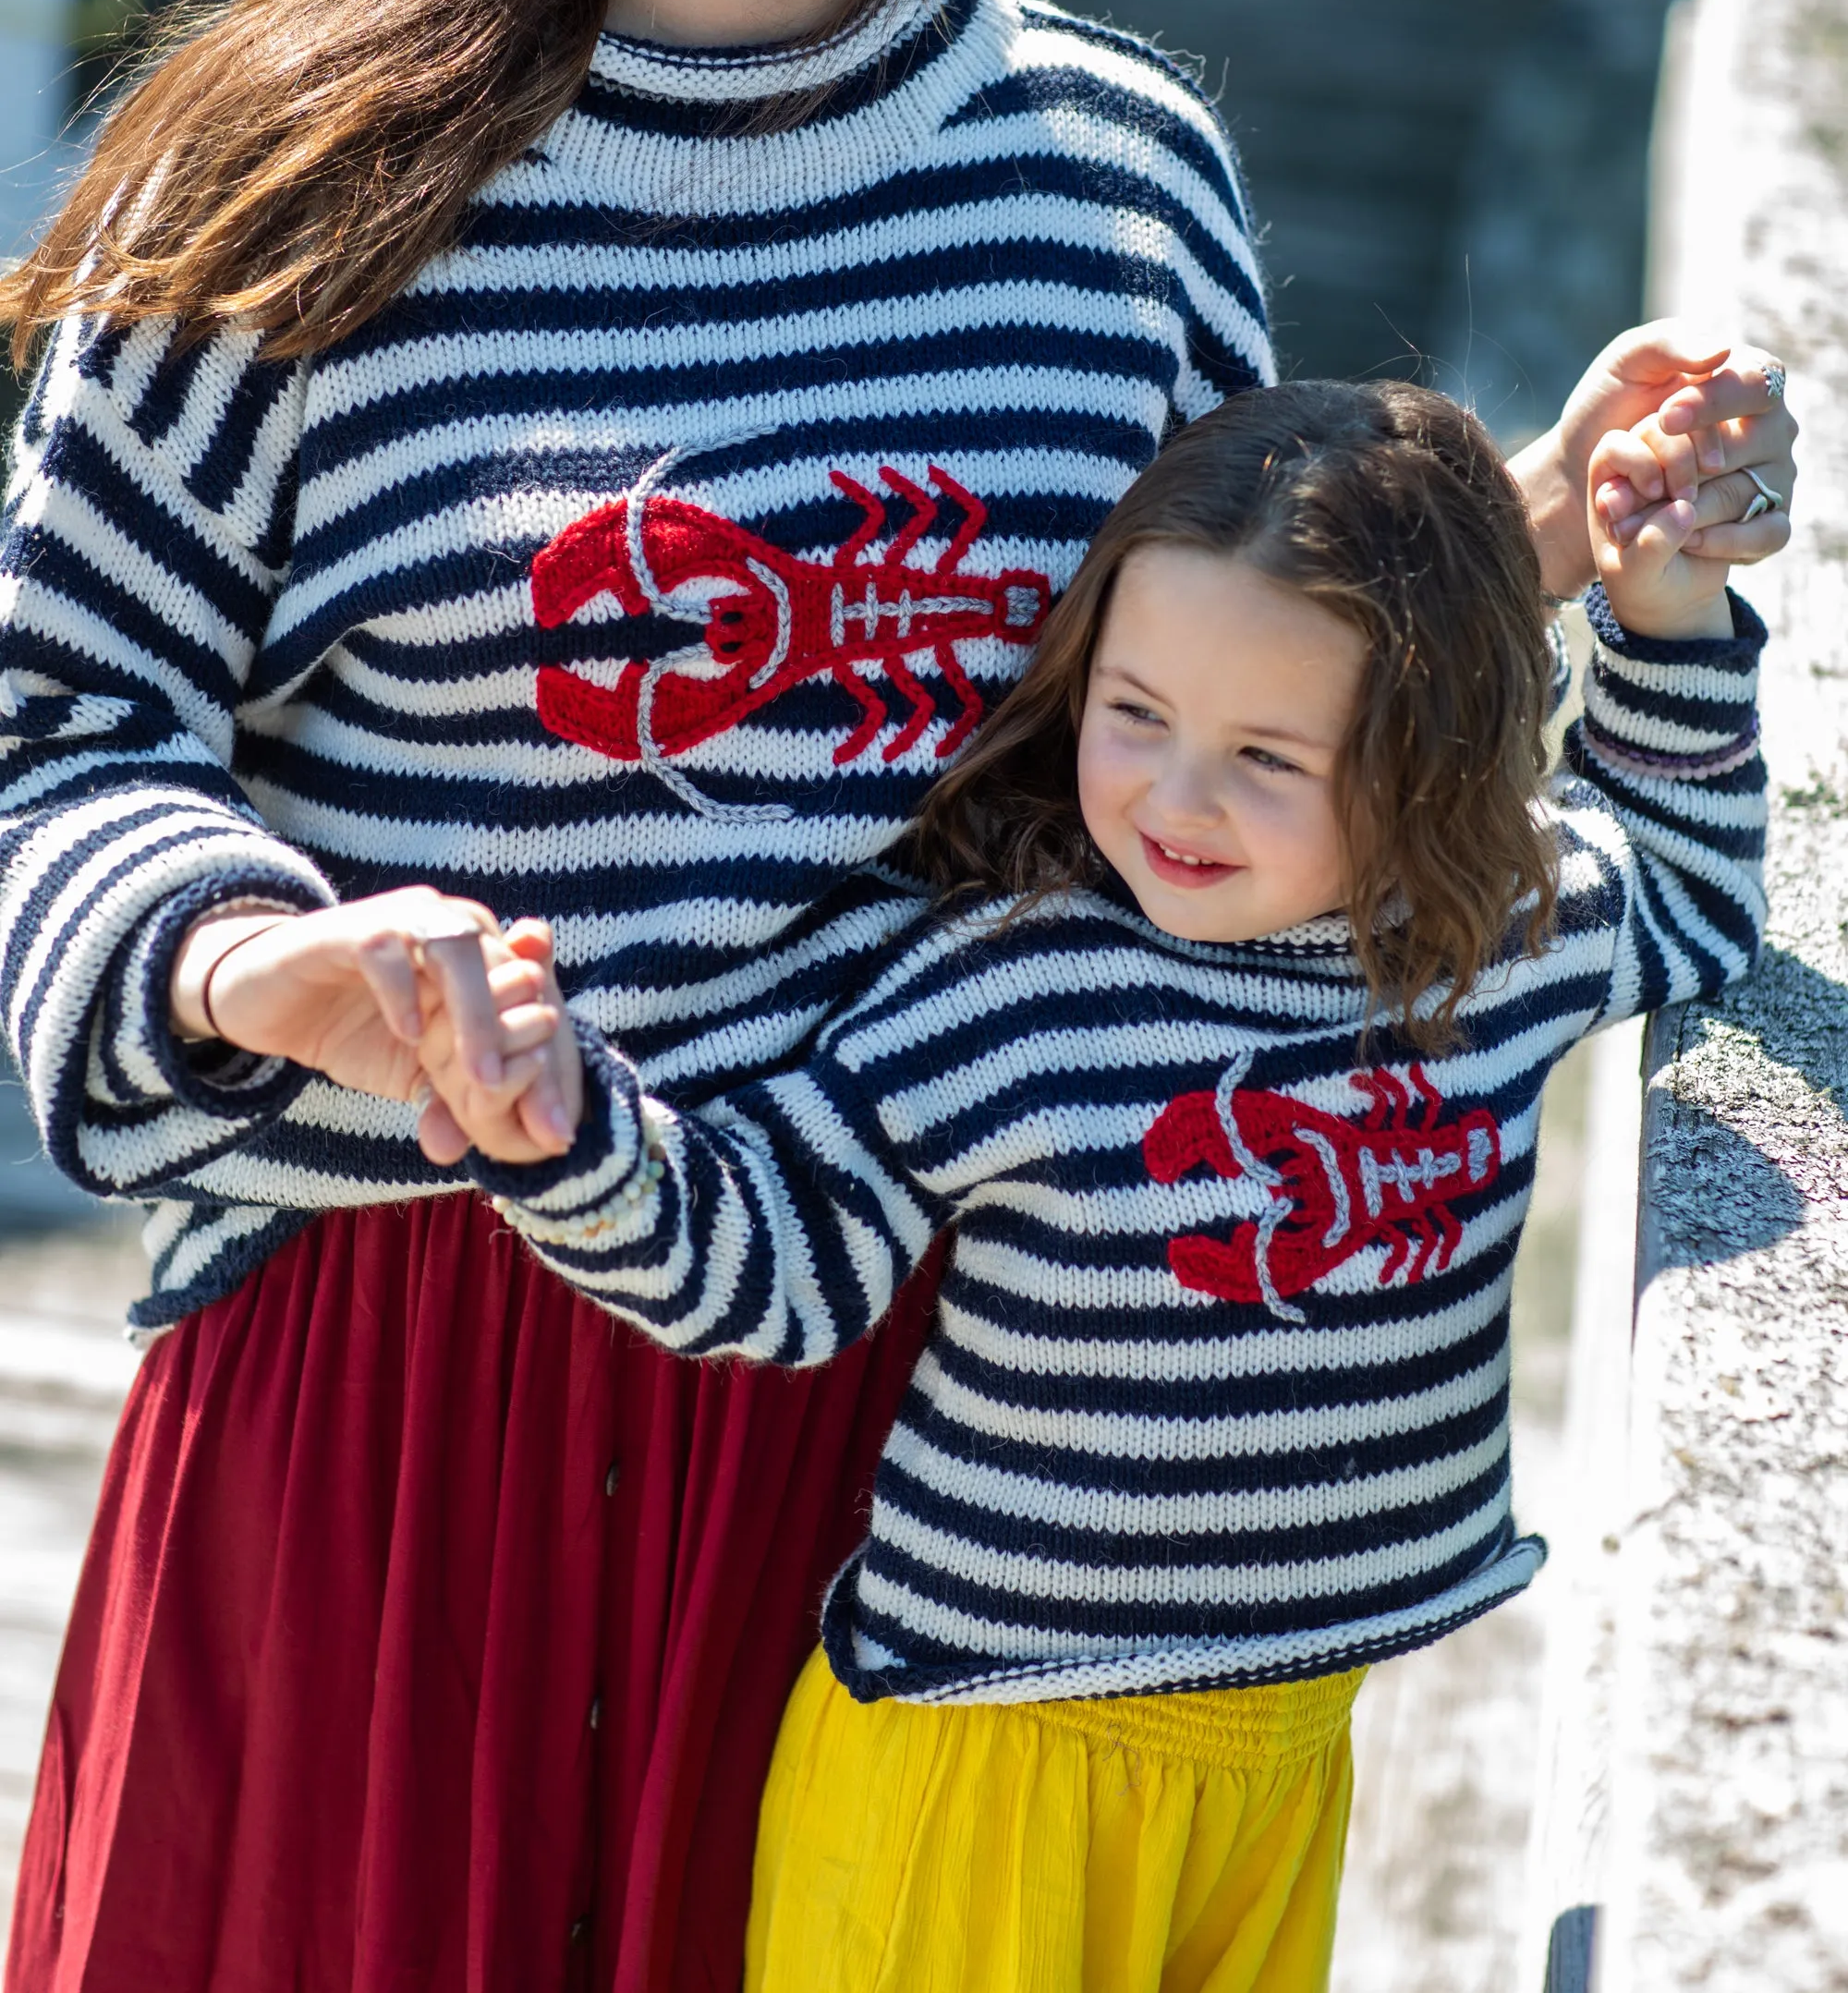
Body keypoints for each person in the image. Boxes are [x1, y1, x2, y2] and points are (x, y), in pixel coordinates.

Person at [0, 0, 1793, 1993]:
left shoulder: (1111, 181)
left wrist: (1529, 544)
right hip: (396, 1386)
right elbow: (54, 741)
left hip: (934, 1421)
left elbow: (1172, 729)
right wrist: (258, 965)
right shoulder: (268, 161)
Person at [439, 380, 1769, 1993]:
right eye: (1133, 714)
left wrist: (1670, 611)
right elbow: (774, 1266)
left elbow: (1694, 896)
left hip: (1289, 1734)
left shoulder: (1489, 940)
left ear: (1429, 747)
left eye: (1270, 754)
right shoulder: (1013, 1000)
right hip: (987, 1763)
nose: (1175, 796)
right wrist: (563, 1134)